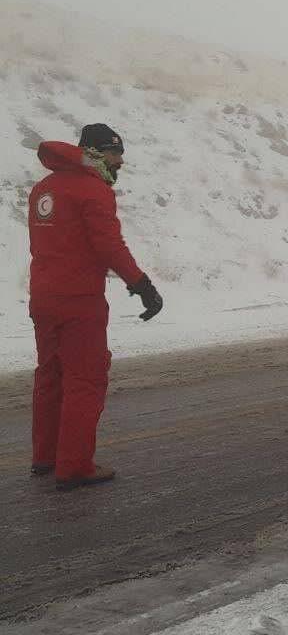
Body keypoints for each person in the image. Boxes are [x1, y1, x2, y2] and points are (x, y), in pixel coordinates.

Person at [28, 124, 163, 491]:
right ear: (98, 153)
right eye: (116, 154)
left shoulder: (44, 189)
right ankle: (74, 467)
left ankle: (46, 456)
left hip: (42, 299)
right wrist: (141, 285)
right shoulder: (92, 190)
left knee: (50, 374)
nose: (120, 162)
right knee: (84, 379)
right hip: (78, 301)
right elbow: (108, 245)